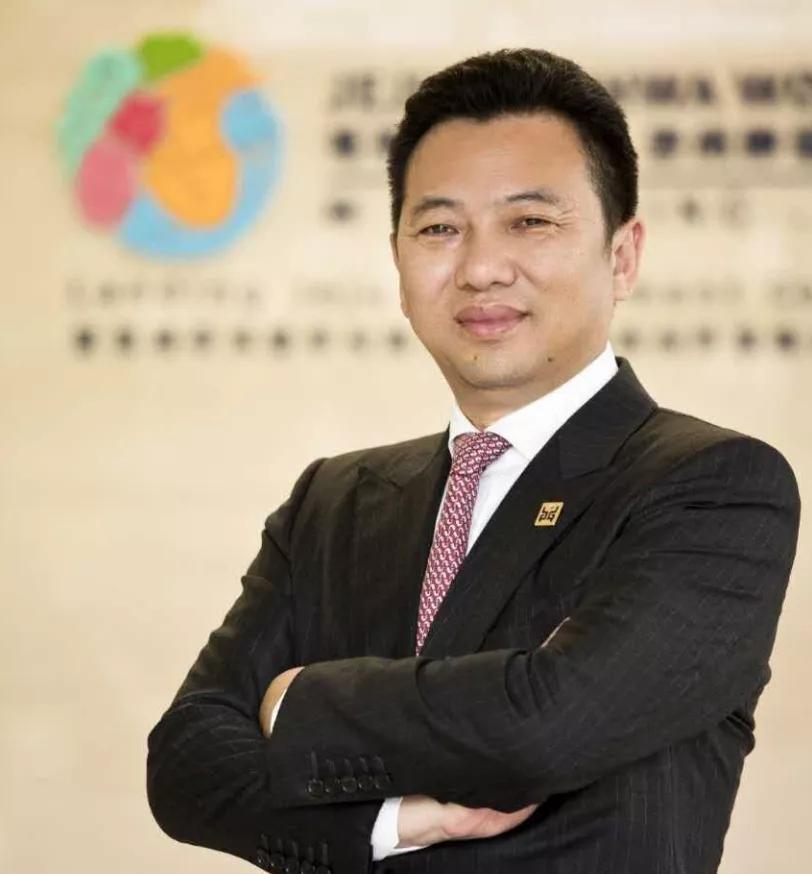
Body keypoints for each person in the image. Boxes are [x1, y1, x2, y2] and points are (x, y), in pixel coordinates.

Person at [146, 48, 801, 874]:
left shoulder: (713, 487)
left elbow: (543, 727)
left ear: (623, 256)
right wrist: (391, 822)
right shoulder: (333, 502)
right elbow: (186, 764)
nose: (482, 268)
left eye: (530, 222)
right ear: (398, 263)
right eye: (439, 229)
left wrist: (295, 698)